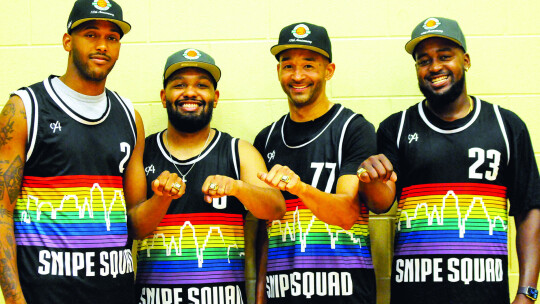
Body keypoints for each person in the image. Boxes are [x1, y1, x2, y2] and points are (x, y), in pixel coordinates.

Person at [0, 0, 186, 303]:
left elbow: (135, 225)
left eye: (112, 37)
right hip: (46, 296)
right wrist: (14, 299)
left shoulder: (129, 117)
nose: (102, 45)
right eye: (91, 34)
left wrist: (163, 199)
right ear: (67, 41)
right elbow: (2, 212)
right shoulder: (26, 108)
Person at [357, 17, 540, 304]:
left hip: (485, 295)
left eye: (445, 56)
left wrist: (527, 293)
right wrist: (370, 180)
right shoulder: (397, 126)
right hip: (414, 296)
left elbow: (529, 211)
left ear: (465, 60)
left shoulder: (506, 126)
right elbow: (380, 204)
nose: (435, 67)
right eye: (423, 60)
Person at [134, 48, 285, 304]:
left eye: (201, 86)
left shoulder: (239, 151)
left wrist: (238, 188)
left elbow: (276, 208)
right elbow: (133, 229)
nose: (190, 92)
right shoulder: (143, 151)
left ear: (215, 97)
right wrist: (160, 198)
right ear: (163, 96)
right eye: (179, 85)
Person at [254, 22, 390, 304]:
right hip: (284, 294)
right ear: (278, 71)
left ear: (329, 71)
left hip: (345, 294)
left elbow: (347, 214)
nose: (297, 75)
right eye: (288, 65)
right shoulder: (266, 139)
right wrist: (260, 297)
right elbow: (264, 231)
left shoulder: (353, 128)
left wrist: (301, 188)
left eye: (309, 65)